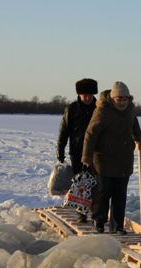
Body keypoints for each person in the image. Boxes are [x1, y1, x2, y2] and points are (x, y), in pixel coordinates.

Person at [81, 81, 141, 234]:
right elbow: (90, 134)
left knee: (120, 195)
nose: (122, 102)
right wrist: (86, 156)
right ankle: (99, 221)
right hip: (103, 159)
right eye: (118, 99)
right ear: (112, 98)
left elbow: (134, 123)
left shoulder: (130, 109)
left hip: (123, 159)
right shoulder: (102, 110)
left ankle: (118, 226)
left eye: (124, 99)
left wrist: (138, 137)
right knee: (103, 193)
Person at [57, 78, 98, 222]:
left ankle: (96, 212)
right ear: (79, 94)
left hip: (96, 152)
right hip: (77, 152)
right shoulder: (72, 109)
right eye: (83, 94)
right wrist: (60, 150)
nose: (87, 98)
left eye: (89, 95)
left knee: (96, 183)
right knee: (80, 183)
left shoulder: (99, 108)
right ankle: (81, 213)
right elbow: (64, 131)